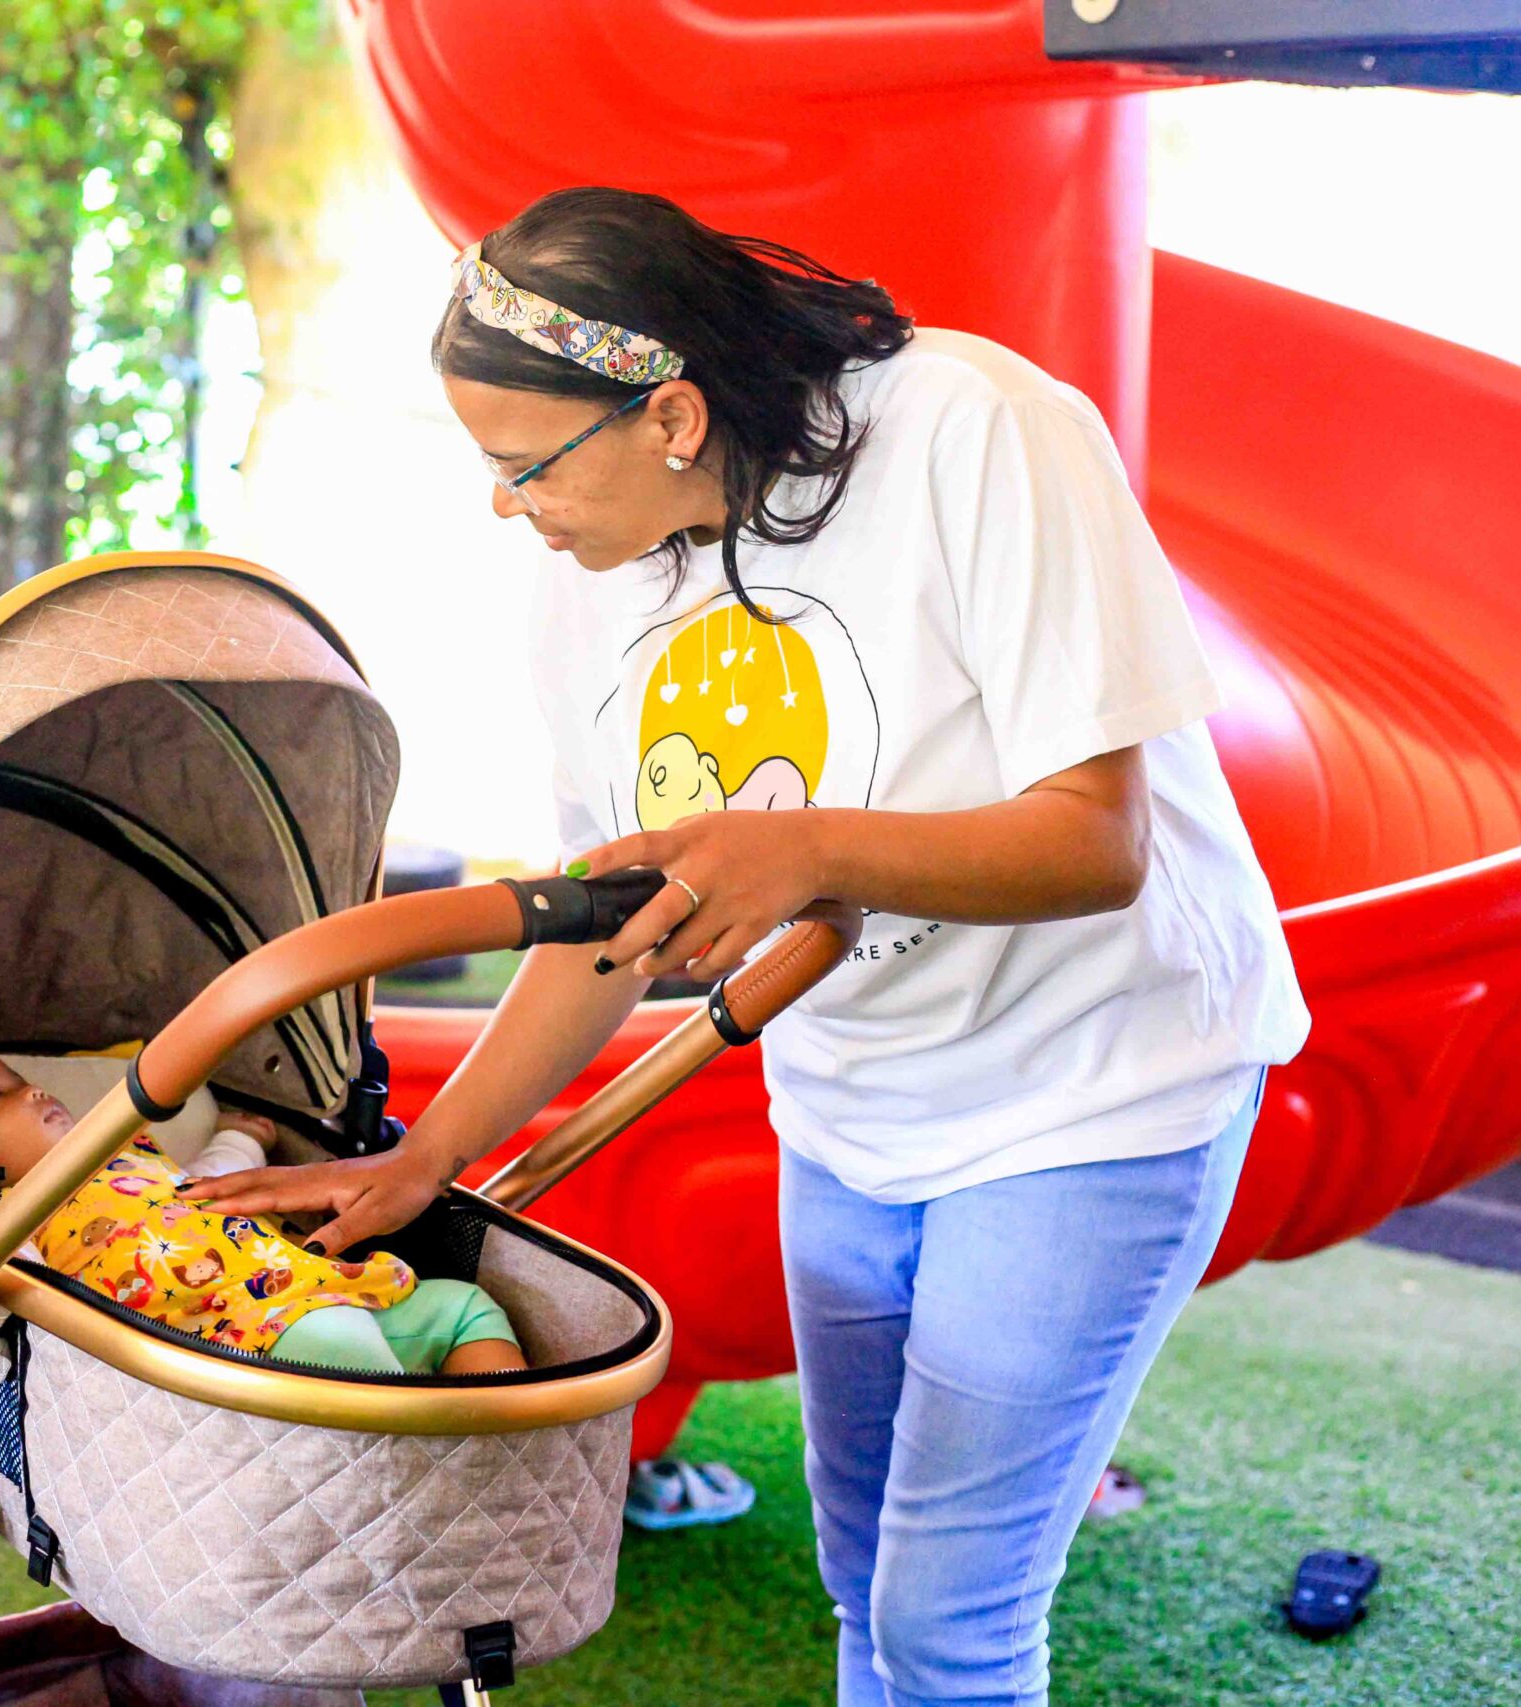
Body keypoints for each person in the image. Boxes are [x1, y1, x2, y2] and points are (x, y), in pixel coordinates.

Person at [182, 186, 1311, 1706]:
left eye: (523, 465)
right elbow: (609, 926)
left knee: (948, 1616)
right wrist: (427, 1157)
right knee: (861, 1571)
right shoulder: (585, 580)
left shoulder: (979, 430)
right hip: (852, 1104)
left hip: (1091, 1085)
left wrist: (812, 848)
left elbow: (1098, 845)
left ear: (670, 416)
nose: (506, 506)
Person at [0, 1049, 525, 1376]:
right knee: (352, 1362)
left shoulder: (130, 1155)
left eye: (21, 1079)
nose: (33, 1089)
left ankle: (496, 1462)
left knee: (465, 1308)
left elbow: (212, 1184)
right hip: (237, 1331)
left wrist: (241, 1137)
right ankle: (435, 1474)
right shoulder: (6, 1223)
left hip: (316, 1288)